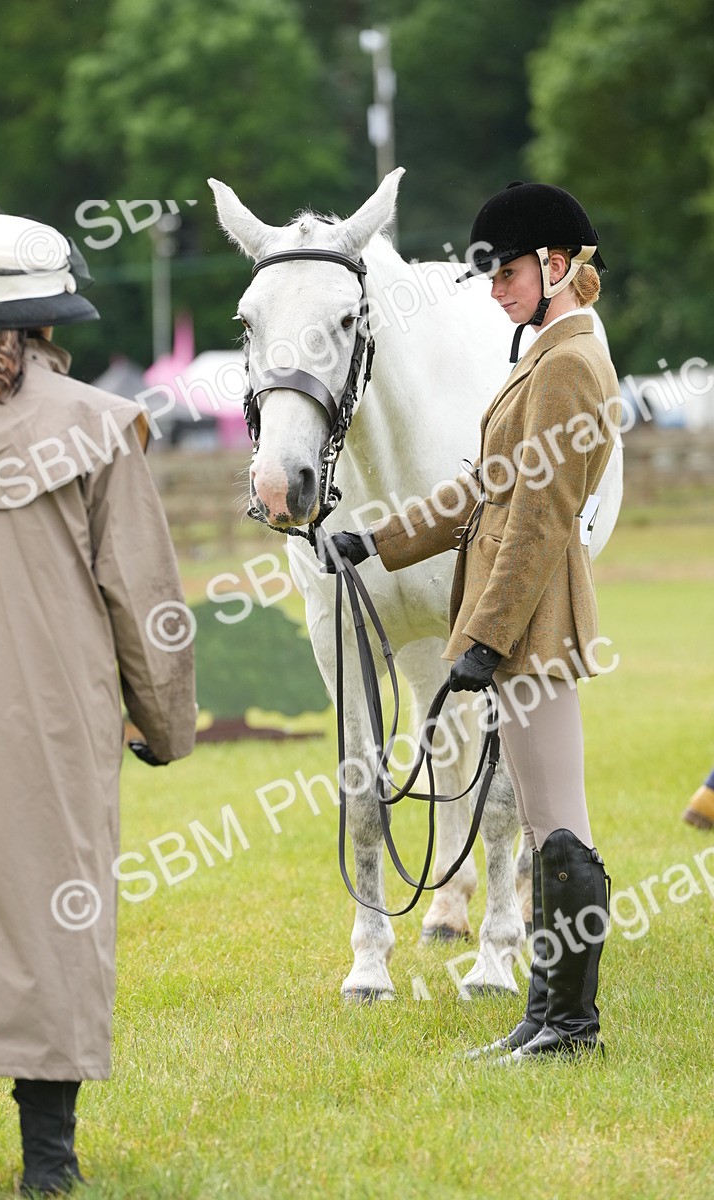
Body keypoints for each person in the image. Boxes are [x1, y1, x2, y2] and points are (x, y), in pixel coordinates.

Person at [0, 214, 196, 1195]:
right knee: (52, 920)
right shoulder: (99, 427)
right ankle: (49, 1160)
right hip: (52, 728)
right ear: (48, 324)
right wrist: (164, 722)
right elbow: (145, 597)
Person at [321, 181, 620, 1061]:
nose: (494, 292)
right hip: (516, 623)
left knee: (559, 826)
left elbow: (535, 522)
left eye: (509, 274)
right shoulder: (541, 352)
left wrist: (483, 643)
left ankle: (570, 1023)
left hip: (534, 623)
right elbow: (486, 490)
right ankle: (546, 1014)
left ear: (557, 266)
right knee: (541, 819)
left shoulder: (568, 364)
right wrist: (378, 539)